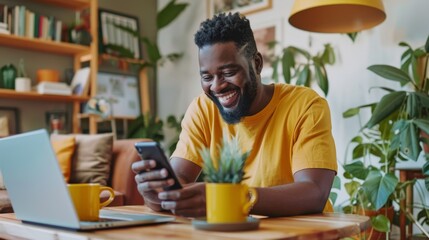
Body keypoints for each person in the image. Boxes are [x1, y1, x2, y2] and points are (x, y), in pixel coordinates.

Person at [132, 12, 337, 218]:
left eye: (228, 73)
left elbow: (314, 192)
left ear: (256, 64)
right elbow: (181, 177)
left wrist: (229, 198)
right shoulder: (203, 109)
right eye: (207, 76)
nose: (217, 86)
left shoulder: (305, 105)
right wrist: (158, 194)